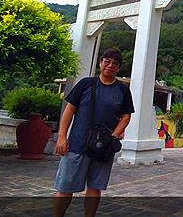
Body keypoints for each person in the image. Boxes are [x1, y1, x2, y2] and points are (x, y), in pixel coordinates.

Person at [53, 49, 134, 217]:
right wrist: (62, 136)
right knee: (65, 188)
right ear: (100, 63)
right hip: (77, 144)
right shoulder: (86, 84)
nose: (110, 66)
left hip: (103, 147)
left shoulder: (123, 90)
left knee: (95, 188)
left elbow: (126, 116)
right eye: (107, 61)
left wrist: (114, 136)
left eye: (115, 63)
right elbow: (69, 109)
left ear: (118, 68)